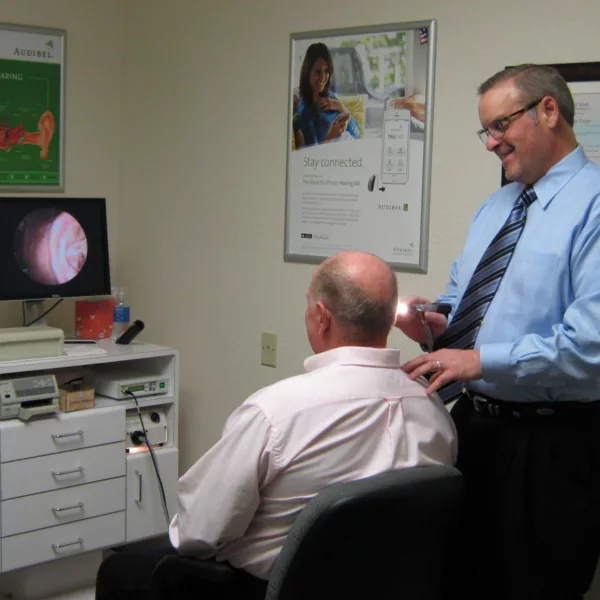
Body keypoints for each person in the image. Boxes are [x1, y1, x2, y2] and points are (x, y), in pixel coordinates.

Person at [96, 250, 456, 599]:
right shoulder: (432, 407)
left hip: (270, 588)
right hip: (387, 587)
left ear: (322, 316)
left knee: (121, 570)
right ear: (390, 319)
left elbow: (199, 533)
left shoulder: (276, 413)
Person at [396, 64, 600, 600]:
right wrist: (436, 325)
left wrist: (480, 360)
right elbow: (465, 300)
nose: (490, 143)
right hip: (474, 431)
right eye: (485, 130)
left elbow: (592, 347)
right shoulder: (496, 206)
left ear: (548, 111)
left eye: (499, 126)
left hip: (554, 448)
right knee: (456, 578)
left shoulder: (595, 207)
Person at [293, 42, 361, 149]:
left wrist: (340, 106)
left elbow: (357, 135)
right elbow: (312, 158)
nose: (323, 77)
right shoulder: (305, 111)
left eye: (326, 71)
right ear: (307, 72)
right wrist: (331, 136)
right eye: (318, 71)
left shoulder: (331, 98)